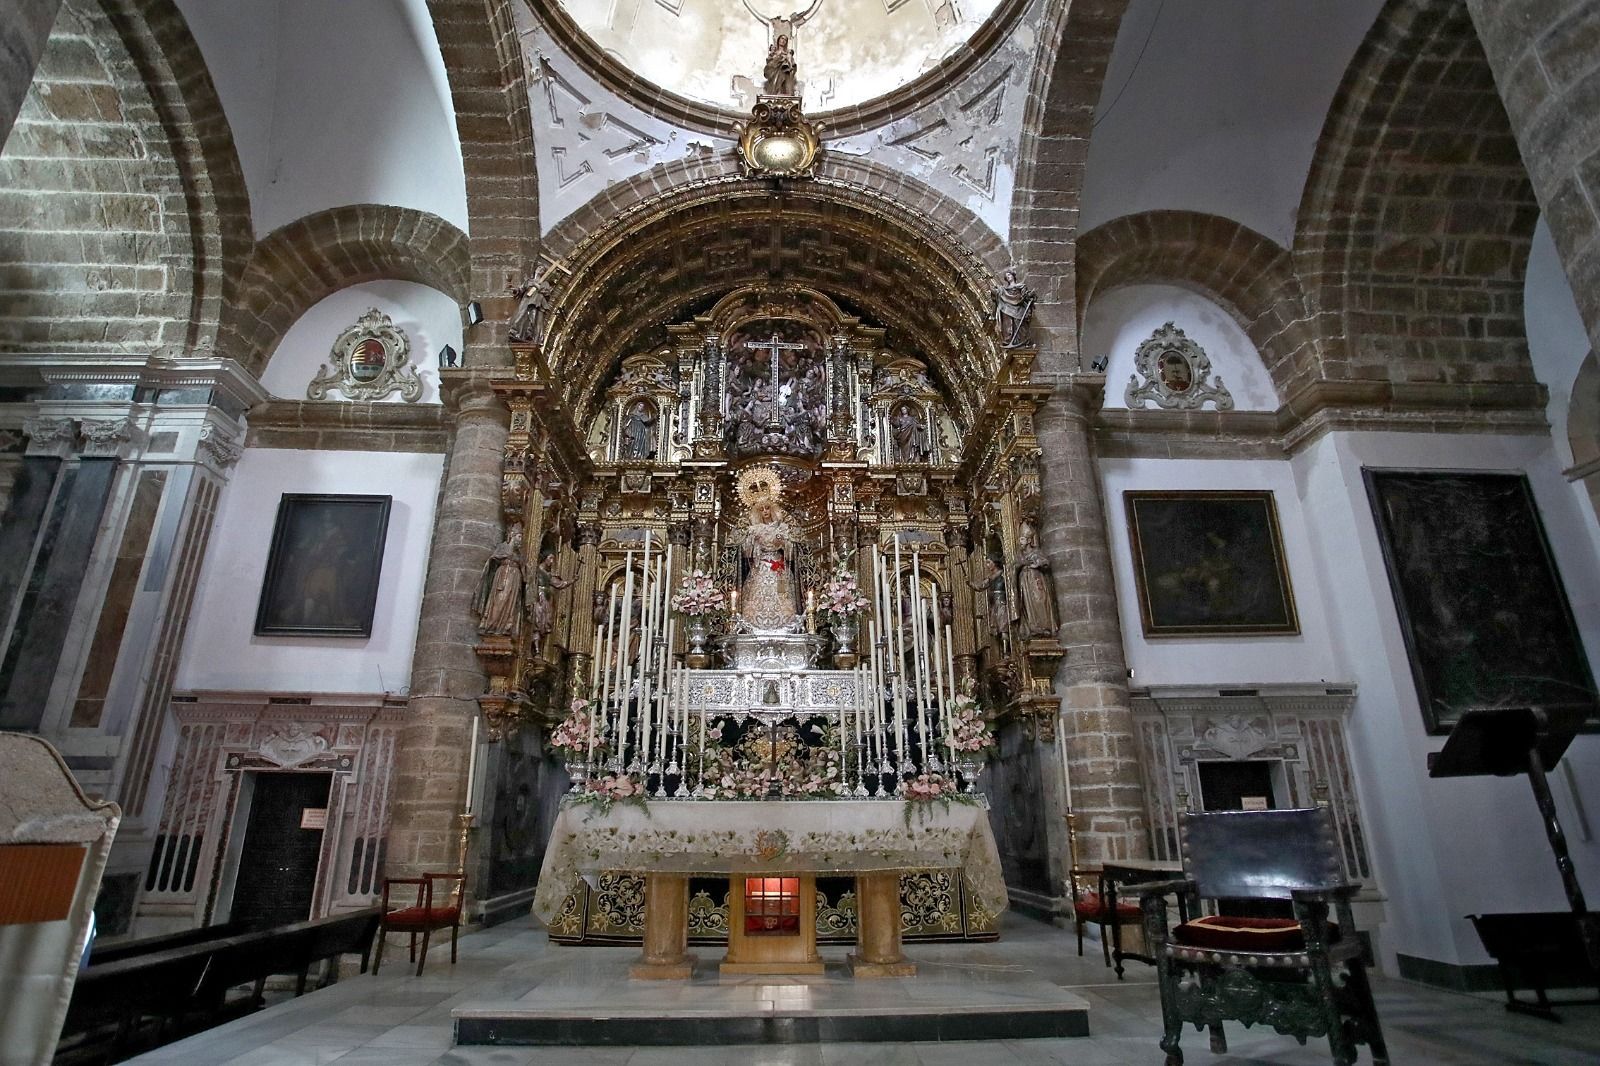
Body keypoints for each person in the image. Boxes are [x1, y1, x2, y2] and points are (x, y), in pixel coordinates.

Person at [740, 497, 800, 631]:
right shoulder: (755, 529)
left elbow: (789, 549)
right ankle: (756, 625)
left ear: (772, 510)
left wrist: (782, 541)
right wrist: (753, 541)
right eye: (761, 509)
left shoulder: (781, 528)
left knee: (781, 592)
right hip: (761, 565)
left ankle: (783, 624)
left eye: (767, 508)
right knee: (758, 593)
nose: (765, 511)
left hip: (778, 565)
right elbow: (747, 552)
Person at [476, 527, 527, 636]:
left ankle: (506, 626)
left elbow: (524, 570)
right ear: (512, 535)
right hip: (503, 575)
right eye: (519, 537)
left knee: (511, 602)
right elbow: (493, 559)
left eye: (521, 538)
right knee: (499, 599)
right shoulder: (503, 547)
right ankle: (491, 624)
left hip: (515, 578)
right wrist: (506, 556)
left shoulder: (519, 554)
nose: (520, 540)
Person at [1015, 519, 1058, 638]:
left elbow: (1045, 562)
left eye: (1022, 539)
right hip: (1025, 583)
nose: (1020, 542)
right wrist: (1020, 565)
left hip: (1036, 580)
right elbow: (1015, 566)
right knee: (1028, 605)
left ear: (1029, 541)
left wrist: (1037, 564)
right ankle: (1033, 627)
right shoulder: (1020, 555)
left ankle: (1044, 626)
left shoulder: (1036, 552)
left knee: (1040, 600)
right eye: (1019, 539)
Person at [992, 268, 1033, 348]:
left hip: (1018, 308)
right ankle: (1009, 339)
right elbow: (999, 294)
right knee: (1008, 323)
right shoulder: (1004, 290)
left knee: (1019, 324)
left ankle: (1022, 340)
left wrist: (1030, 296)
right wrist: (995, 290)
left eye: (1009, 275)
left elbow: (1025, 296)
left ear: (1013, 275)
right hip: (1007, 308)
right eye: (1007, 276)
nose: (1008, 277)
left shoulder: (1020, 286)